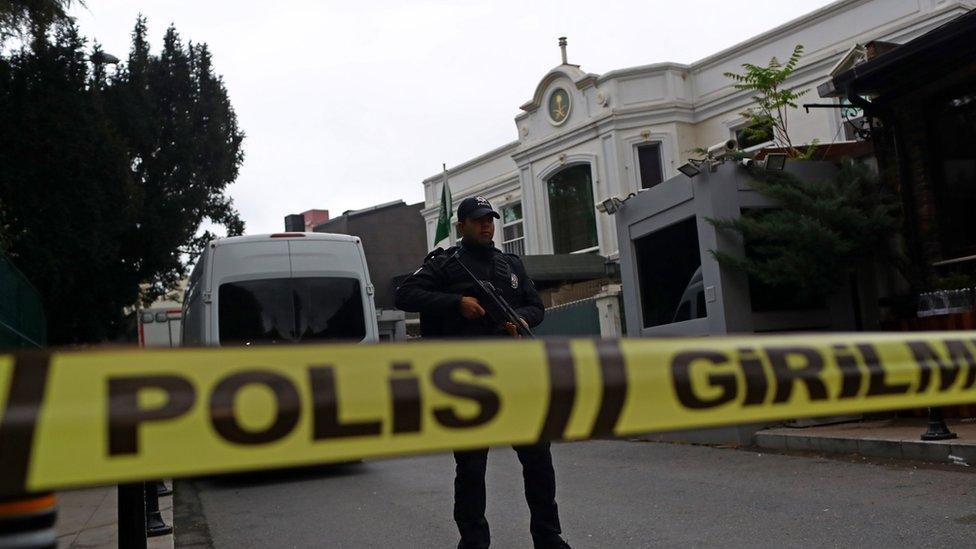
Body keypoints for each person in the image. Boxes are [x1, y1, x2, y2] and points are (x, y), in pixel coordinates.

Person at [395, 196, 570, 549]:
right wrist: (456, 303)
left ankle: (548, 537)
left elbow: (536, 307)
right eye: (477, 220)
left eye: (490, 219)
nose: (486, 225)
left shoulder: (510, 264)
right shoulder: (445, 265)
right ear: (461, 226)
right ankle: (474, 541)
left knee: (538, 458)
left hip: (514, 375)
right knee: (472, 467)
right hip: (469, 379)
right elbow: (404, 295)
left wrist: (520, 321)